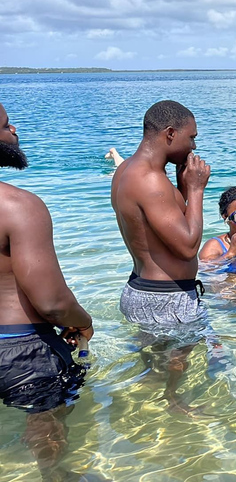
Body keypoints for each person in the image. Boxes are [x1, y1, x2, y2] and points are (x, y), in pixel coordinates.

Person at [0, 102, 95, 479]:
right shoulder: (18, 206)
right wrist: (84, 324)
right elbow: (52, 302)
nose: (14, 131)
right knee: (47, 440)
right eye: (6, 125)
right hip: (21, 349)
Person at [111, 100, 210, 324]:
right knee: (178, 361)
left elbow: (160, 223)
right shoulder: (151, 180)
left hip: (145, 289)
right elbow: (187, 247)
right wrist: (196, 190)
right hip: (165, 299)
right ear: (171, 134)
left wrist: (181, 188)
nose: (193, 146)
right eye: (191, 137)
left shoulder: (126, 169)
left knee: (158, 360)